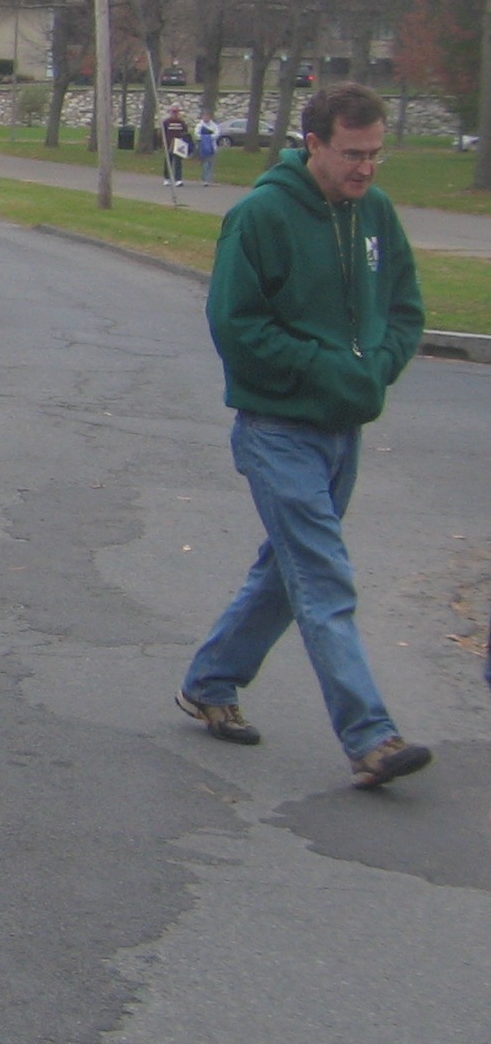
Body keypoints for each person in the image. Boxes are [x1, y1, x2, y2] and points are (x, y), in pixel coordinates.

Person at [177, 83, 432, 791]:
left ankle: (210, 678)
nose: (365, 169)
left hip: (343, 427)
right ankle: (369, 735)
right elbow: (237, 327)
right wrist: (327, 368)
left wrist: (376, 365)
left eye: (375, 153)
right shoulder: (258, 215)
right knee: (322, 577)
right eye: (352, 154)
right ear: (312, 143)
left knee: (286, 570)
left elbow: (405, 306)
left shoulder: (373, 213)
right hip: (276, 427)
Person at [160, 105, 191, 187]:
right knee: (168, 162)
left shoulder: (181, 123)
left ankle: (178, 179)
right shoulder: (166, 122)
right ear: (170, 112)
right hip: (169, 144)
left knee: (178, 162)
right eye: (173, 112)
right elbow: (162, 133)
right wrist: (163, 143)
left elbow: (185, 133)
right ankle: (167, 179)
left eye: (176, 112)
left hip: (179, 145)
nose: (175, 114)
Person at [195, 111, 221, 186]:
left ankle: (209, 178)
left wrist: (208, 137)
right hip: (203, 147)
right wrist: (205, 137)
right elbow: (197, 135)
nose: (206, 117)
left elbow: (217, 134)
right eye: (204, 116)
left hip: (212, 147)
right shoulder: (199, 125)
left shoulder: (214, 126)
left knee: (211, 163)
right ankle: (204, 179)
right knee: (205, 163)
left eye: (207, 116)